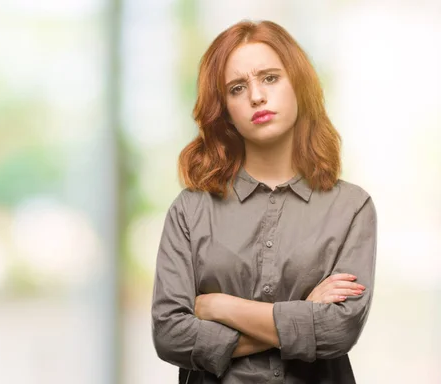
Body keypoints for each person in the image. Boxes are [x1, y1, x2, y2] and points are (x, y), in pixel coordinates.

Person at [151, 20, 377, 384]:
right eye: (237, 88)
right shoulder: (191, 209)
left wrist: (219, 306)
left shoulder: (352, 207)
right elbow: (170, 336)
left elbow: (338, 331)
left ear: (299, 86)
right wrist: (304, 315)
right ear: (223, 109)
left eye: (270, 78)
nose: (256, 96)